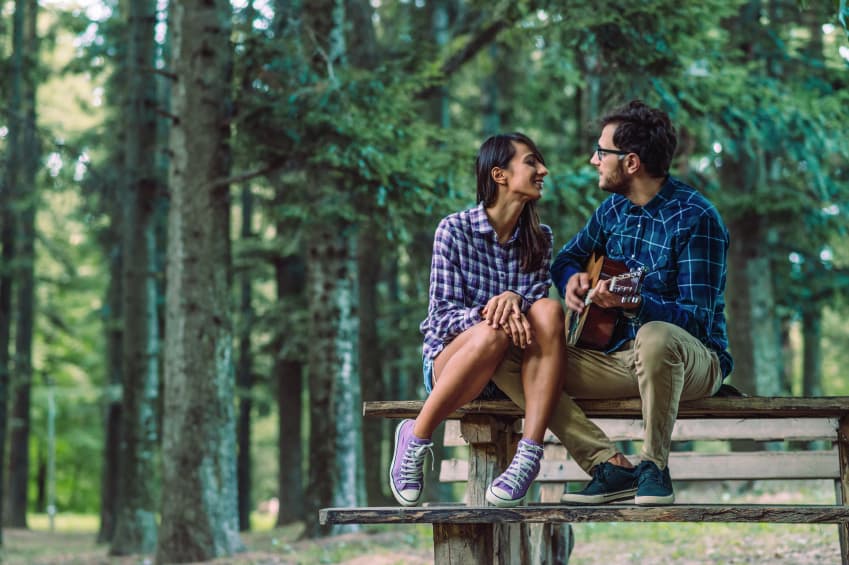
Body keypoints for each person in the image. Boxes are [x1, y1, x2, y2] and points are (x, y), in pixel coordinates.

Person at [491, 100, 733, 506]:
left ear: (632, 162)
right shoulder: (612, 212)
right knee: (507, 355)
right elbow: (566, 259)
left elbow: (696, 320)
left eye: (602, 152)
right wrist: (573, 282)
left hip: (694, 363)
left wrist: (635, 306)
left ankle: (654, 467)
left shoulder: (696, 218)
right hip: (617, 359)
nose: (594, 159)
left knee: (655, 336)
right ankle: (608, 466)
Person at [389, 132, 566, 508]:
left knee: (550, 309)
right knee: (492, 334)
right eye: (532, 162)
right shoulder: (453, 231)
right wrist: (493, 312)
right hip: (453, 367)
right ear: (500, 175)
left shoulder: (540, 239)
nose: (543, 170)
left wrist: (516, 299)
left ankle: (529, 453)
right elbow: (439, 319)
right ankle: (416, 437)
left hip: (513, 374)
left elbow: (536, 314)